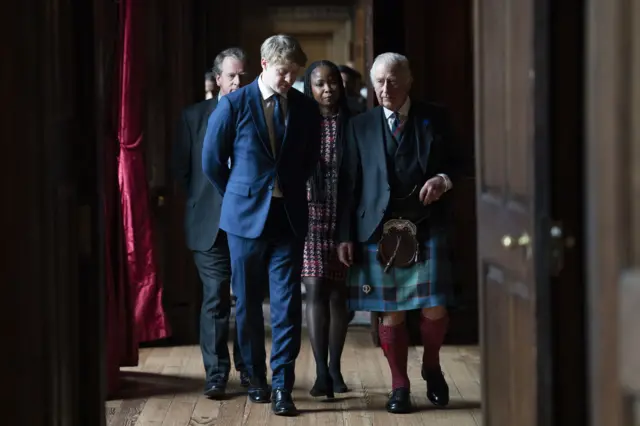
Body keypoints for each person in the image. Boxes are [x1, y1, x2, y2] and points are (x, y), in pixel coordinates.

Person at [202, 34, 321, 416]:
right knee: (248, 304)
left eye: (294, 73)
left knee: (287, 306)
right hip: (243, 221)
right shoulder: (234, 105)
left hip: (288, 219)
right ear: (266, 64)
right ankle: (256, 378)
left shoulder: (305, 108)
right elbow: (212, 162)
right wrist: (240, 195)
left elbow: (309, 159)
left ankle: (283, 382)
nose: (289, 79)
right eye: (284, 72)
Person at [335, 52, 459, 414]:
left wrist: (442, 179)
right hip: (378, 230)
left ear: (408, 81)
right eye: (378, 82)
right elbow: (349, 183)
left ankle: (432, 366)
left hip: (427, 225)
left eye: (391, 81)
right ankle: (399, 385)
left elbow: (460, 162)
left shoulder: (434, 117)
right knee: (392, 314)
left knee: (434, 309)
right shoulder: (360, 125)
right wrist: (345, 235)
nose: (384, 89)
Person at [172, 48, 249, 398]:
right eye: (231, 75)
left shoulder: (258, 114)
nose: (238, 81)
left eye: (242, 75)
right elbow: (184, 172)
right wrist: (207, 202)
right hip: (208, 224)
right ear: (217, 79)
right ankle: (216, 374)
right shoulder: (193, 117)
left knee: (248, 298)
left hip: (250, 222)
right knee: (216, 297)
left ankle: (249, 370)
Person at [301, 60, 351, 399]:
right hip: (309, 213)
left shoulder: (356, 122)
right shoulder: (301, 122)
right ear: (311, 88)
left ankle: (335, 366)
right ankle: (320, 371)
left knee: (338, 292)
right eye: (320, 83)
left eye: (332, 82)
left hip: (344, 213)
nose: (327, 88)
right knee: (315, 288)